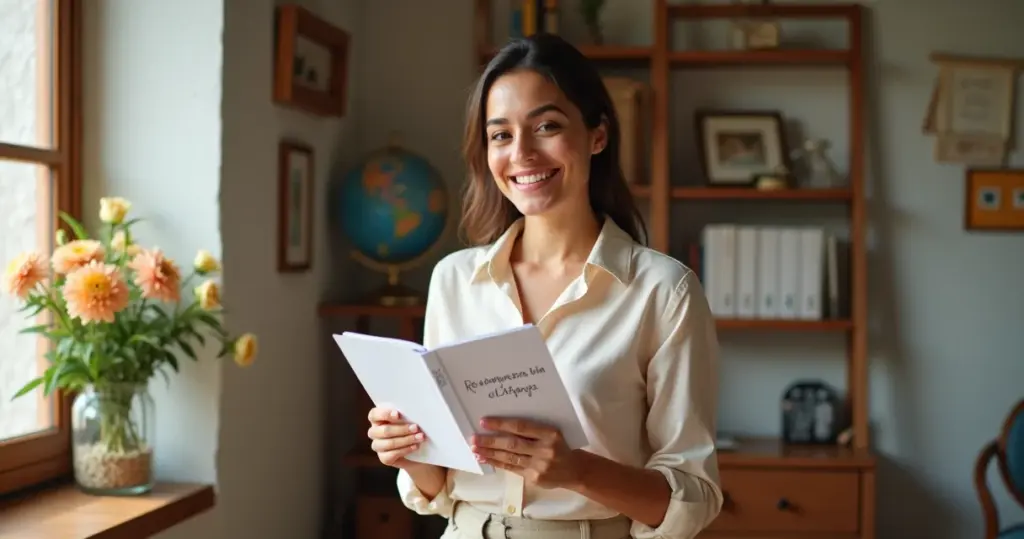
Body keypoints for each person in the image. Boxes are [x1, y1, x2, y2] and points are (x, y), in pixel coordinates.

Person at [365, 33, 723, 539]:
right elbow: (440, 487)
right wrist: (407, 450)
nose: (523, 154)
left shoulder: (663, 292)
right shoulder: (456, 279)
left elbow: (696, 496)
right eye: (501, 135)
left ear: (597, 135)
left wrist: (577, 470)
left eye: (547, 126)